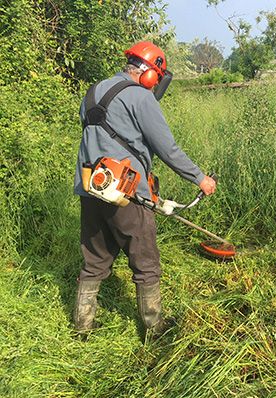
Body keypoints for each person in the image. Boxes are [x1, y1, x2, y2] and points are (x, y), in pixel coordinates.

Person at [72, 41, 216, 340]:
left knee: (95, 261)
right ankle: (155, 328)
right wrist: (200, 179)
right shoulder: (139, 96)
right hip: (127, 193)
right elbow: (168, 149)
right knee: (146, 263)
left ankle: (83, 326)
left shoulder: (93, 91)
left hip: (92, 187)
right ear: (151, 73)